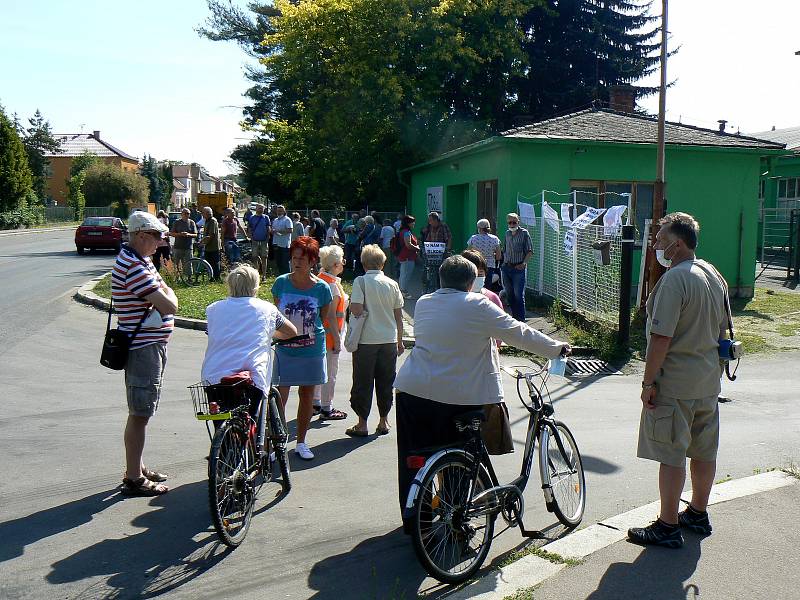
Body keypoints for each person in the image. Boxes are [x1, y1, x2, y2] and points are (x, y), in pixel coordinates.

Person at [394, 255, 569, 529]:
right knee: (458, 459)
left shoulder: (425, 302)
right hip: (458, 397)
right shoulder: (478, 304)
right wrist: (555, 348)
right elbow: (518, 332)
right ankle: (456, 523)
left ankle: (417, 521)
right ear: (471, 281)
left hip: (412, 390)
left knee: (414, 458)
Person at [627, 213, 728, 549]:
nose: (656, 243)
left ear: (678, 243)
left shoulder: (674, 280)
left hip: (676, 383)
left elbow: (660, 339)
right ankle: (698, 512)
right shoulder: (712, 273)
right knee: (703, 450)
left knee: (671, 454)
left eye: (661, 238)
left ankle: (667, 524)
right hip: (708, 380)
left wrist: (647, 383)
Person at [113, 211, 179, 496]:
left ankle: (136, 467)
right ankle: (134, 478)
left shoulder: (141, 259)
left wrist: (167, 293)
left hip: (147, 345)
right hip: (143, 348)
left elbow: (166, 295)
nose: (160, 242)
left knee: (141, 412)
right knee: (140, 413)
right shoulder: (135, 267)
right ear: (141, 235)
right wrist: (168, 294)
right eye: (156, 236)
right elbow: (170, 305)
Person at [272, 237, 342, 460]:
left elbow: (323, 319)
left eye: (302, 259)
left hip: (311, 350)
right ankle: (275, 442)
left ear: (312, 261)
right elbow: (277, 315)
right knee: (279, 397)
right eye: (294, 258)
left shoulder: (322, 288)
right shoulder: (281, 283)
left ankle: (301, 442)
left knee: (307, 394)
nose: (296, 262)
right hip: (284, 349)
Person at [201, 264, 297, 406]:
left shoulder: (213, 309)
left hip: (214, 376)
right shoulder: (267, 309)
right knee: (251, 420)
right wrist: (269, 334)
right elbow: (291, 331)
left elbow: (212, 332)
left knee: (221, 418)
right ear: (255, 286)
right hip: (251, 377)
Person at [345, 244, 404, 437]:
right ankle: (383, 420)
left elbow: (355, 309)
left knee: (363, 381)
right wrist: (400, 340)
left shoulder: (360, 282)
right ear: (382, 263)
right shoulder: (392, 284)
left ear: (363, 263)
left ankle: (362, 424)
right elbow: (398, 316)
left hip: (366, 341)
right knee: (386, 381)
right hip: (388, 340)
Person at [312, 245, 349, 420]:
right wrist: (337, 339)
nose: (344, 263)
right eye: (342, 260)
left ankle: (316, 403)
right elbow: (332, 316)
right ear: (335, 264)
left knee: (319, 372)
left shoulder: (319, 279)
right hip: (329, 336)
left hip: (318, 335)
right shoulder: (333, 286)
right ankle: (327, 408)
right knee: (330, 373)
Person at [461, 249, 504, 346]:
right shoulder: (453, 299)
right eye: (473, 274)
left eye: (480, 274)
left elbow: (501, 328)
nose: (476, 278)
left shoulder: (492, 298)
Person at [501, 212, 533, 321]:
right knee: (509, 295)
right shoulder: (507, 233)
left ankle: (521, 320)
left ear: (518, 222)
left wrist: (524, 263)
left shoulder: (524, 233)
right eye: (509, 222)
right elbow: (504, 249)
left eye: (514, 222)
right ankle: (515, 319)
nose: (512, 224)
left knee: (518, 295)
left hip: (518, 268)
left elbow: (529, 251)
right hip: (506, 267)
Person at [467, 218, 502, 290]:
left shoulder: (473, 239)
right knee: (487, 288)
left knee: (475, 286)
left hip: (475, 264)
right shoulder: (495, 239)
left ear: (479, 228)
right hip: (489, 265)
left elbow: (468, 253)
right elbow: (498, 256)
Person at [170, 208, 197, 279]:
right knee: (176, 263)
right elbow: (172, 233)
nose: (186, 215)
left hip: (188, 247)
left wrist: (188, 234)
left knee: (188, 263)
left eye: (188, 213)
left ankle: (189, 278)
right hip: (178, 246)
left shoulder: (192, 222)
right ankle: (176, 278)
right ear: (181, 214)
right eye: (185, 213)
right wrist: (180, 234)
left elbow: (195, 234)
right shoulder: (176, 222)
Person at [396, 215, 420, 298]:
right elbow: (408, 245)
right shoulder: (406, 232)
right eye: (413, 221)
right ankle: (403, 292)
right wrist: (417, 248)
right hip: (407, 257)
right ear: (408, 223)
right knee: (405, 275)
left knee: (403, 274)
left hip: (404, 256)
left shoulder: (403, 231)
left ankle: (400, 291)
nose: (414, 223)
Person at [248, 203, 271, 281]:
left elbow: (268, 229)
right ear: (256, 209)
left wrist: (267, 239)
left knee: (264, 258)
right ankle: (256, 275)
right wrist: (252, 238)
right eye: (259, 208)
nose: (260, 209)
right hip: (255, 241)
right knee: (255, 258)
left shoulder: (266, 218)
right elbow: (250, 229)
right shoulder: (252, 218)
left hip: (264, 241)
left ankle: (264, 276)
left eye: (262, 208)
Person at [199, 206, 222, 281]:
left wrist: (203, 242)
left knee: (215, 263)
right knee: (208, 263)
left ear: (208, 213)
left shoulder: (212, 221)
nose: (202, 214)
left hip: (213, 246)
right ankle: (211, 277)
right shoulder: (207, 221)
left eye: (203, 213)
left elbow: (211, 235)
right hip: (208, 247)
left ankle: (216, 278)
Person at [272, 204, 294, 275]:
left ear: (284, 211)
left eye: (281, 211)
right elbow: (273, 230)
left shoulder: (287, 220)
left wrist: (278, 231)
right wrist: (272, 231)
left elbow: (290, 230)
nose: (279, 212)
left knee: (285, 263)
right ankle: (281, 278)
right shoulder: (275, 220)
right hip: (276, 243)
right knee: (278, 262)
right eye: (278, 211)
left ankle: (288, 277)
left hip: (284, 245)